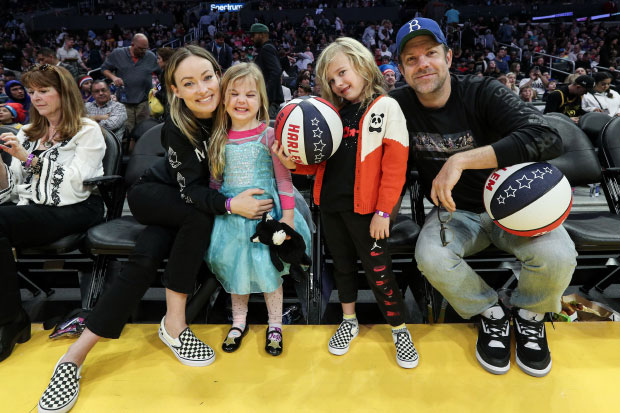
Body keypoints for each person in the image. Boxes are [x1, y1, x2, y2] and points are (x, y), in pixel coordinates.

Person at [37, 46, 273, 413]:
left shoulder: (233, 110)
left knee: (147, 256)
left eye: (208, 78)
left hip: (185, 206)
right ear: (175, 90)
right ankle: (175, 326)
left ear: (220, 76)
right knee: (200, 217)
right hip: (154, 195)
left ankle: (75, 355)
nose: (203, 89)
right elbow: (194, 193)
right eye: (189, 83)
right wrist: (231, 205)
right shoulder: (178, 128)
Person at [391, 17, 577, 378]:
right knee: (430, 255)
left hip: (515, 210)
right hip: (455, 213)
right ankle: (490, 313)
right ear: (401, 68)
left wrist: (461, 159)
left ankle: (530, 315)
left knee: (558, 256)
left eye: (430, 53)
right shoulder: (396, 105)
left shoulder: (482, 91)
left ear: (448, 55)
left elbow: (547, 137)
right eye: (411, 60)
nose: (422, 64)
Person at [274, 37, 418, 369]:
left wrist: (384, 212)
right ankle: (348, 320)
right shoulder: (331, 112)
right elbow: (319, 162)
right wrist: (293, 163)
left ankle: (399, 328)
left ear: (362, 64)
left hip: (368, 213)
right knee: (341, 267)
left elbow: (395, 169)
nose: (339, 83)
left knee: (379, 272)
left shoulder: (387, 106)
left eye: (342, 73)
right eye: (333, 80)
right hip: (332, 206)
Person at [0, 64, 105, 365]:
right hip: (33, 205)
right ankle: (9, 315)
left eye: (44, 90)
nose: (36, 97)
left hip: (77, 207)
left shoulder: (87, 130)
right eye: (32, 91)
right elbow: (16, 185)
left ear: (64, 92)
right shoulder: (27, 131)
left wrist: (28, 158)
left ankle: (10, 319)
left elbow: (75, 183)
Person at [205, 63, 311, 356]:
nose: (242, 101)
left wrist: (287, 217)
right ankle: (239, 322)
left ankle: (274, 323)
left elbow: (284, 179)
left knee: (268, 273)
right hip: (231, 221)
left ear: (262, 100)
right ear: (223, 99)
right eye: (234, 93)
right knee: (236, 271)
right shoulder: (218, 138)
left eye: (250, 94)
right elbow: (215, 183)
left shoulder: (269, 135)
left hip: (267, 220)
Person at [101, 33, 160, 134]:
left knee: (144, 132)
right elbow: (104, 69)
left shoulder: (150, 56)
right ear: (133, 44)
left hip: (144, 102)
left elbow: (160, 73)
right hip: (124, 103)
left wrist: (159, 90)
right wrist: (114, 77)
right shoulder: (118, 53)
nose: (144, 51)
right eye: (141, 48)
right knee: (127, 132)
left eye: (146, 48)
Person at [249, 23, 284, 118]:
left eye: (253, 35)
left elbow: (276, 72)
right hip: (268, 101)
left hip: (269, 101)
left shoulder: (266, 48)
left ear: (262, 35)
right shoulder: (266, 48)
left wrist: (265, 93)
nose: (251, 38)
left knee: (267, 130)